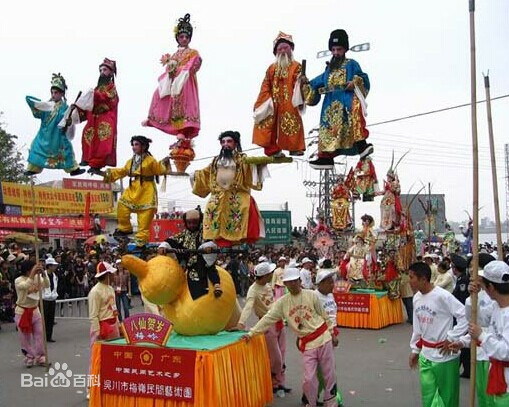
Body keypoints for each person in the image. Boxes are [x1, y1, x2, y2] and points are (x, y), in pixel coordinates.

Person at [244, 267, 339, 407]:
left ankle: (331, 403)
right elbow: (267, 318)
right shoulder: (282, 302)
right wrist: (251, 333)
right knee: (309, 378)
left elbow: (324, 315)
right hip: (308, 344)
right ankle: (311, 403)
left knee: (329, 374)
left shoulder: (311, 295)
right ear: (285, 284)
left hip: (323, 337)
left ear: (300, 281)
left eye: (295, 281)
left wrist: (332, 332)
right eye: (289, 282)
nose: (293, 284)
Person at [191, 130, 290, 246]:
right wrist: (194, 175)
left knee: (241, 211)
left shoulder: (242, 159)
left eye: (229, 141)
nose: (225, 144)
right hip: (217, 199)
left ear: (235, 143)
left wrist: (262, 163)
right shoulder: (215, 161)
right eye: (223, 142)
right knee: (216, 225)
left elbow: (252, 168)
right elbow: (205, 174)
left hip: (236, 197)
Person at [304, 29, 371, 170]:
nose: (335, 53)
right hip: (330, 107)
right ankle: (325, 158)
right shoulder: (329, 70)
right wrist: (304, 85)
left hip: (346, 104)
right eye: (333, 49)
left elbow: (363, 79)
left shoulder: (351, 64)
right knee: (327, 128)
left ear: (345, 49)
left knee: (352, 117)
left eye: (338, 49)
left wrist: (355, 83)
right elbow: (315, 84)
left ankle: (361, 145)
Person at [408, 262, 468, 407]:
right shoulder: (416, 298)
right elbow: (418, 328)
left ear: (423, 279)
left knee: (447, 398)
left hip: (445, 355)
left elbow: (464, 316)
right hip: (426, 355)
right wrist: (415, 350)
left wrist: (452, 338)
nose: (409, 281)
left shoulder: (443, 296)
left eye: (411, 277)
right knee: (428, 396)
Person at [102, 135, 171, 247]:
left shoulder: (150, 160)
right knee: (122, 204)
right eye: (133, 145)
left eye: (136, 144)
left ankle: (141, 244)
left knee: (144, 218)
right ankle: (125, 228)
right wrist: (106, 173)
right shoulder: (131, 161)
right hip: (133, 188)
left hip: (146, 191)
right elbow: (122, 171)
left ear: (144, 146)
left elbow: (160, 169)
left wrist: (165, 162)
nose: (134, 147)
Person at [143, 13, 201, 141]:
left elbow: (194, 65)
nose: (184, 39)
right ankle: (154, 119)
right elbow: (168, 69)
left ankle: (184, 130)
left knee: (186, 107)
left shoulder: (193, 52)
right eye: (181, 36)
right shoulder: (174, 55)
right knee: (158, 93)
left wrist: (182, 69)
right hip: (174, 82)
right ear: (178, 38)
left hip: (185, 83)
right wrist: (170, 69)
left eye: (187, 37)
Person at [449, 253, 496, 407]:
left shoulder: (498, 297)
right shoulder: (475, 295)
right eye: (470, 267)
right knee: (483, 396)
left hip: (495, 356)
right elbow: (473, 323)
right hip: (479, 355)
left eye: (475, 267)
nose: (471, 271)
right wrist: (462, 342)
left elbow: (490, 328)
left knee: (495, 398)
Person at [237, 262, 289, 398]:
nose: (272, 275)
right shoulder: (253, 290)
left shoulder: (267, 285)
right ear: (264, 276)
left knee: (282, 354)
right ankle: (274, 383)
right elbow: (248, 306)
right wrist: (241, 322)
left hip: (278, 321)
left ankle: (281, 383)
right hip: (266, 324)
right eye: (270, 274)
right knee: (275, 357)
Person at [252, 32, 305, 157]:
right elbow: (265, 85)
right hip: (273, 100)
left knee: (292, 120)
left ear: (291, 49)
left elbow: (300, 84)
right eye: (279, 49)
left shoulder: (297, 66)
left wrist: (302, 83)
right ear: (276, 52)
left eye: (285, 48)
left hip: (290, 100)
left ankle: (294, 148)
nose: (282, 51)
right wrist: (263, 101)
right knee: (267, 120)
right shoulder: (271, 68)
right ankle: (272, 150)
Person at [25, 73, 84, 176]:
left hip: (57, 137)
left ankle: (73, 169)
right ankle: (32, 168)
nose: (53, 95)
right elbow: (34, 106)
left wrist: (70, 115)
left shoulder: (65, 108)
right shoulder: (46, 106)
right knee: (35, 147)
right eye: (52, 92)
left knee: (67, 150)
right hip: (44, 136)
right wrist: (38, 103)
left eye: (56, 92)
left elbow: (68, 122)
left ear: (62, 94)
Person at [467, 260, 509, 405]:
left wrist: (482, 336)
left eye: (484, 285)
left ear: (491, 287)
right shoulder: (497, 306)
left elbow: (506, 351)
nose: (482, 288)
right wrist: (473, 296)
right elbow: (480, 324)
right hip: (497, 374)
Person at [74, 58, 118, 173]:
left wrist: (94, 96)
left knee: (103, 141)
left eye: (105, 70)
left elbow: (109, 99)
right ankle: (87, 159)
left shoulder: (111, 87)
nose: (102, 72)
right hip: (93, 119)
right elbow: (89, 103)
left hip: (105, 118)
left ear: (111, 72)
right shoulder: (96, 88)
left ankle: (96, 164)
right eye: (100, 70)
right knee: (87, 136)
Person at [166, 209, 222, 299]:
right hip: (187, 262)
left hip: (202, 261)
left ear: (199, 221)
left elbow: (211, 241)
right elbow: (172, 240)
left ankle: (216, 284)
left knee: (210, 268)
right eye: (189, 223)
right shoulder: (184, 234)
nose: (192, 225)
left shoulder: (205, 232)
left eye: (194, 222)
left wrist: (208, 246)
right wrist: (164, 247)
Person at [87, 261, 119, 398]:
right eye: (111, 273)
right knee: (96, 359)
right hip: (101, 326)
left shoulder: (110, 289)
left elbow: (114, 308)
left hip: (113, 325)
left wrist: (119, 323)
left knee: (112, 358)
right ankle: (90, 388)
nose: (113, 275)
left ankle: (108, 385)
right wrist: (97, 331)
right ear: (106, 275)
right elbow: (93, 314)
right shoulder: (95, 292)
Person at [314, 264, 344, 406]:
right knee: (325, 369)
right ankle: (329, 398)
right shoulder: (314, 297)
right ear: (321, 283)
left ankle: (312, 396)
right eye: (330, 282)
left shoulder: (330, 295)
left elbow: (332, 315)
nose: (333, 285)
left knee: (325, 368)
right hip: (320, 337)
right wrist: (331, 335)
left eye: (333, 281)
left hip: (331, 334)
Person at [14, 260, 49, 367]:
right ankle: (29, 356)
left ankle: (40, 356)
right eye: (33, 269)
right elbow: (25, 286)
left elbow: (47, 284)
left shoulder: (37, 278)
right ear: (28, 270)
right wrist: (33, 274)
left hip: (35, 310)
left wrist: (43, 273)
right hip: (22, 311)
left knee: (39, 335)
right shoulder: (18, 280)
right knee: (25, 337)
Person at [450, 253, 470, 378]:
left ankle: (467, 369)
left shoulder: (463, 281)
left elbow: (461, 301)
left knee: (463, 343)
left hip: (462, 317)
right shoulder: (460, 279)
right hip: (460, 316)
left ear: (455, 268)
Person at [42, 257, 59, 342]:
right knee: (44, 319)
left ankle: (49, 336)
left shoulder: (55, 276)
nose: (55, 267)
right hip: (44, 299)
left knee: (51, 319)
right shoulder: (42, 275)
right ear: (49, 266)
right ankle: (43, 336)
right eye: (53, 266)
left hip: (52, 298)